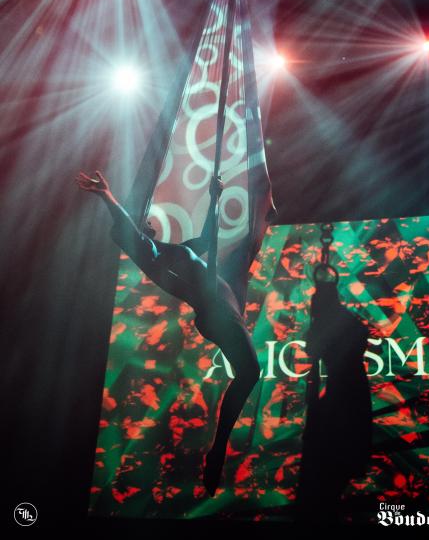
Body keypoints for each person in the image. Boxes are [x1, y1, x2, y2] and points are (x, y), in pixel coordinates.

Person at [76, 170, 265, 496]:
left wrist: (215, 196)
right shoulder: (153, 257)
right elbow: (132, 235)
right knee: (250, 373)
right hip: (217, 312)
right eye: (140, 223)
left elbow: (206, 240)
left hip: (224, 309)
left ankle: (218, 449)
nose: (148, 220)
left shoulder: (174, 250)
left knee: (248, 373)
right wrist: (107, 196)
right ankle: (218, 450)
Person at [297, 278, 372, 523]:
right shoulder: (349, 321)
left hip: (341, 391)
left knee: (330, 454)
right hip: (352, 388)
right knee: (341, 454)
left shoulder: (326, 324)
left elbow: (312, 352)